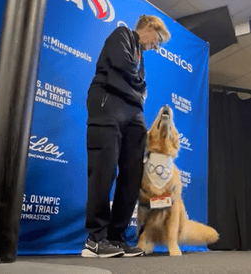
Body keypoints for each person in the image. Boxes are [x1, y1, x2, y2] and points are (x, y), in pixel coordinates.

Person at [82, 15, 170, 258]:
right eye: (158, 39)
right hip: (107, 103)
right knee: (104, 168)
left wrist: (138, 86)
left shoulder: (141, 58)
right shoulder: (122, 35)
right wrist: (138, 85)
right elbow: (124, 66)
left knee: (133, 173)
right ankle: (95, 239)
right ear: (150, 28)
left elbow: (142, 87)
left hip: (133, 112)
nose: (156, 46)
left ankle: (115, 237)